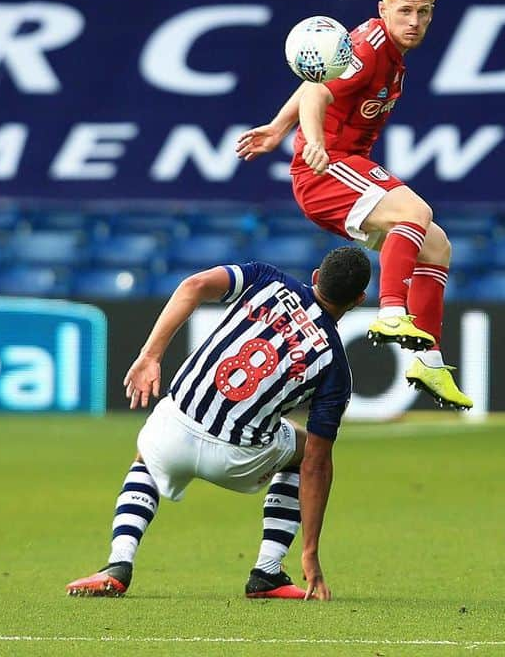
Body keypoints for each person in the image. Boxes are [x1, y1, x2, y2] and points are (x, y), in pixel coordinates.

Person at [66, 246, 370, 601]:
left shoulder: (266, 278)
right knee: (302, 453)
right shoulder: (335, 367)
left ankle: (119, 563)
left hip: (173, 432)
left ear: (316, 276)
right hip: (237, 459)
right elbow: (318, 464)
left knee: (145, 457)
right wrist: (311, 552)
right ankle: (268, 570)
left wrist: (150, 355)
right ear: (359, 299)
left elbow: (194, 285)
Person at [236, 0, 472, 410]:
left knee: (436, 245)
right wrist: (315, 141)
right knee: (415, 213)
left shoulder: (382, 51)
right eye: (405, 11)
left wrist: (274, 128)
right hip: (327, 171)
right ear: (383, 10)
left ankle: (429, 361)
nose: (415, 22)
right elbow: (316, 96)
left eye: (424, 13)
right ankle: (390, 313)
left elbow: (317, 79)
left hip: (345, 165)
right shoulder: (370, 46)